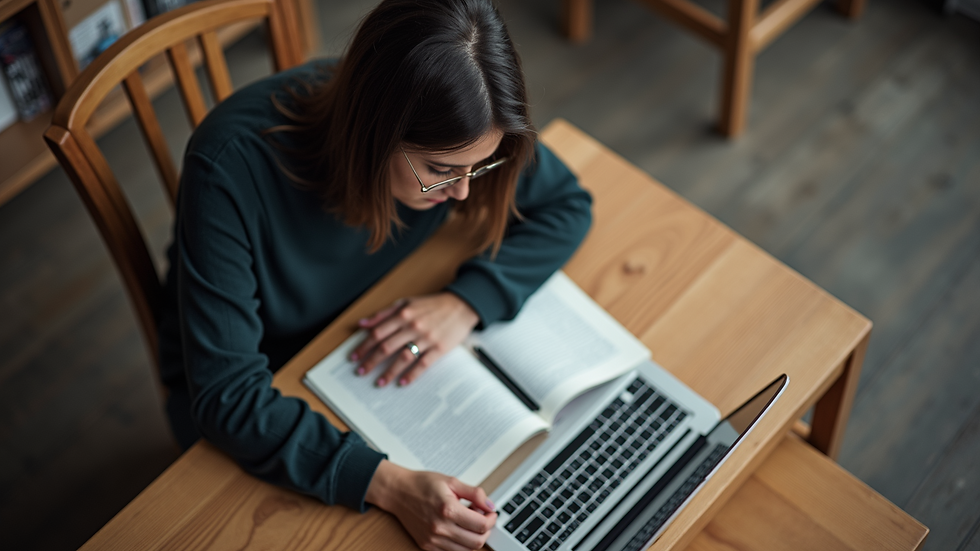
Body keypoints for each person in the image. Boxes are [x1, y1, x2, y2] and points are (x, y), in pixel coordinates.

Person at [157, 0, 592, 549]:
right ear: (375, 133)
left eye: (479, 168)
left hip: (369, 344)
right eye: (440, 172)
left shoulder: (463, 124)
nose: (462, 192)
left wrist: (467, 303)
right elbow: (226, 396)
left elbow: (566, 205)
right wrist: (389, 486)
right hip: (269, 382)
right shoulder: (230, 165)